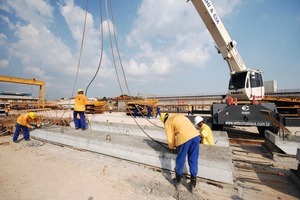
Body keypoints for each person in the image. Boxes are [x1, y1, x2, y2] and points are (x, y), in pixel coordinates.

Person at [160, 113, 200, 192]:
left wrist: (172, 148)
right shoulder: (179, 116)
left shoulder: (168, 121)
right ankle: (193, 183)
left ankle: (178, 182)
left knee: (180, 160)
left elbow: (170, 138)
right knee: (193, 159)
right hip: (195, 136)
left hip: (184, 139)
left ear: (164, 120)